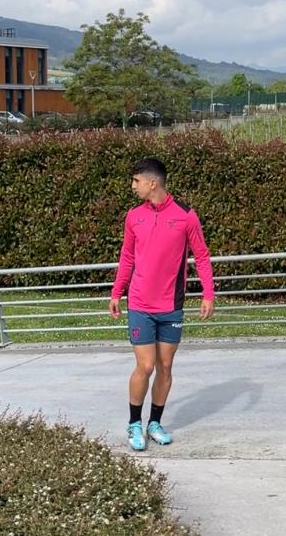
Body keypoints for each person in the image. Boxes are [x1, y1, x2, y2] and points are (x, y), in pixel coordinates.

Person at [109, 158, 215, 451]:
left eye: (136, 181)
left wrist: (208, 293)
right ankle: (134, 424)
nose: (133, 187)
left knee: (165, 366)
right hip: (141, 303)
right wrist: (117, 292)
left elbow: (202, 256)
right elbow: (127, 257)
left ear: (152, 182)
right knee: (145, 366)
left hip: (171, 306)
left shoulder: (185, 215)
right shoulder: (134, 216)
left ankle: (155, 422)